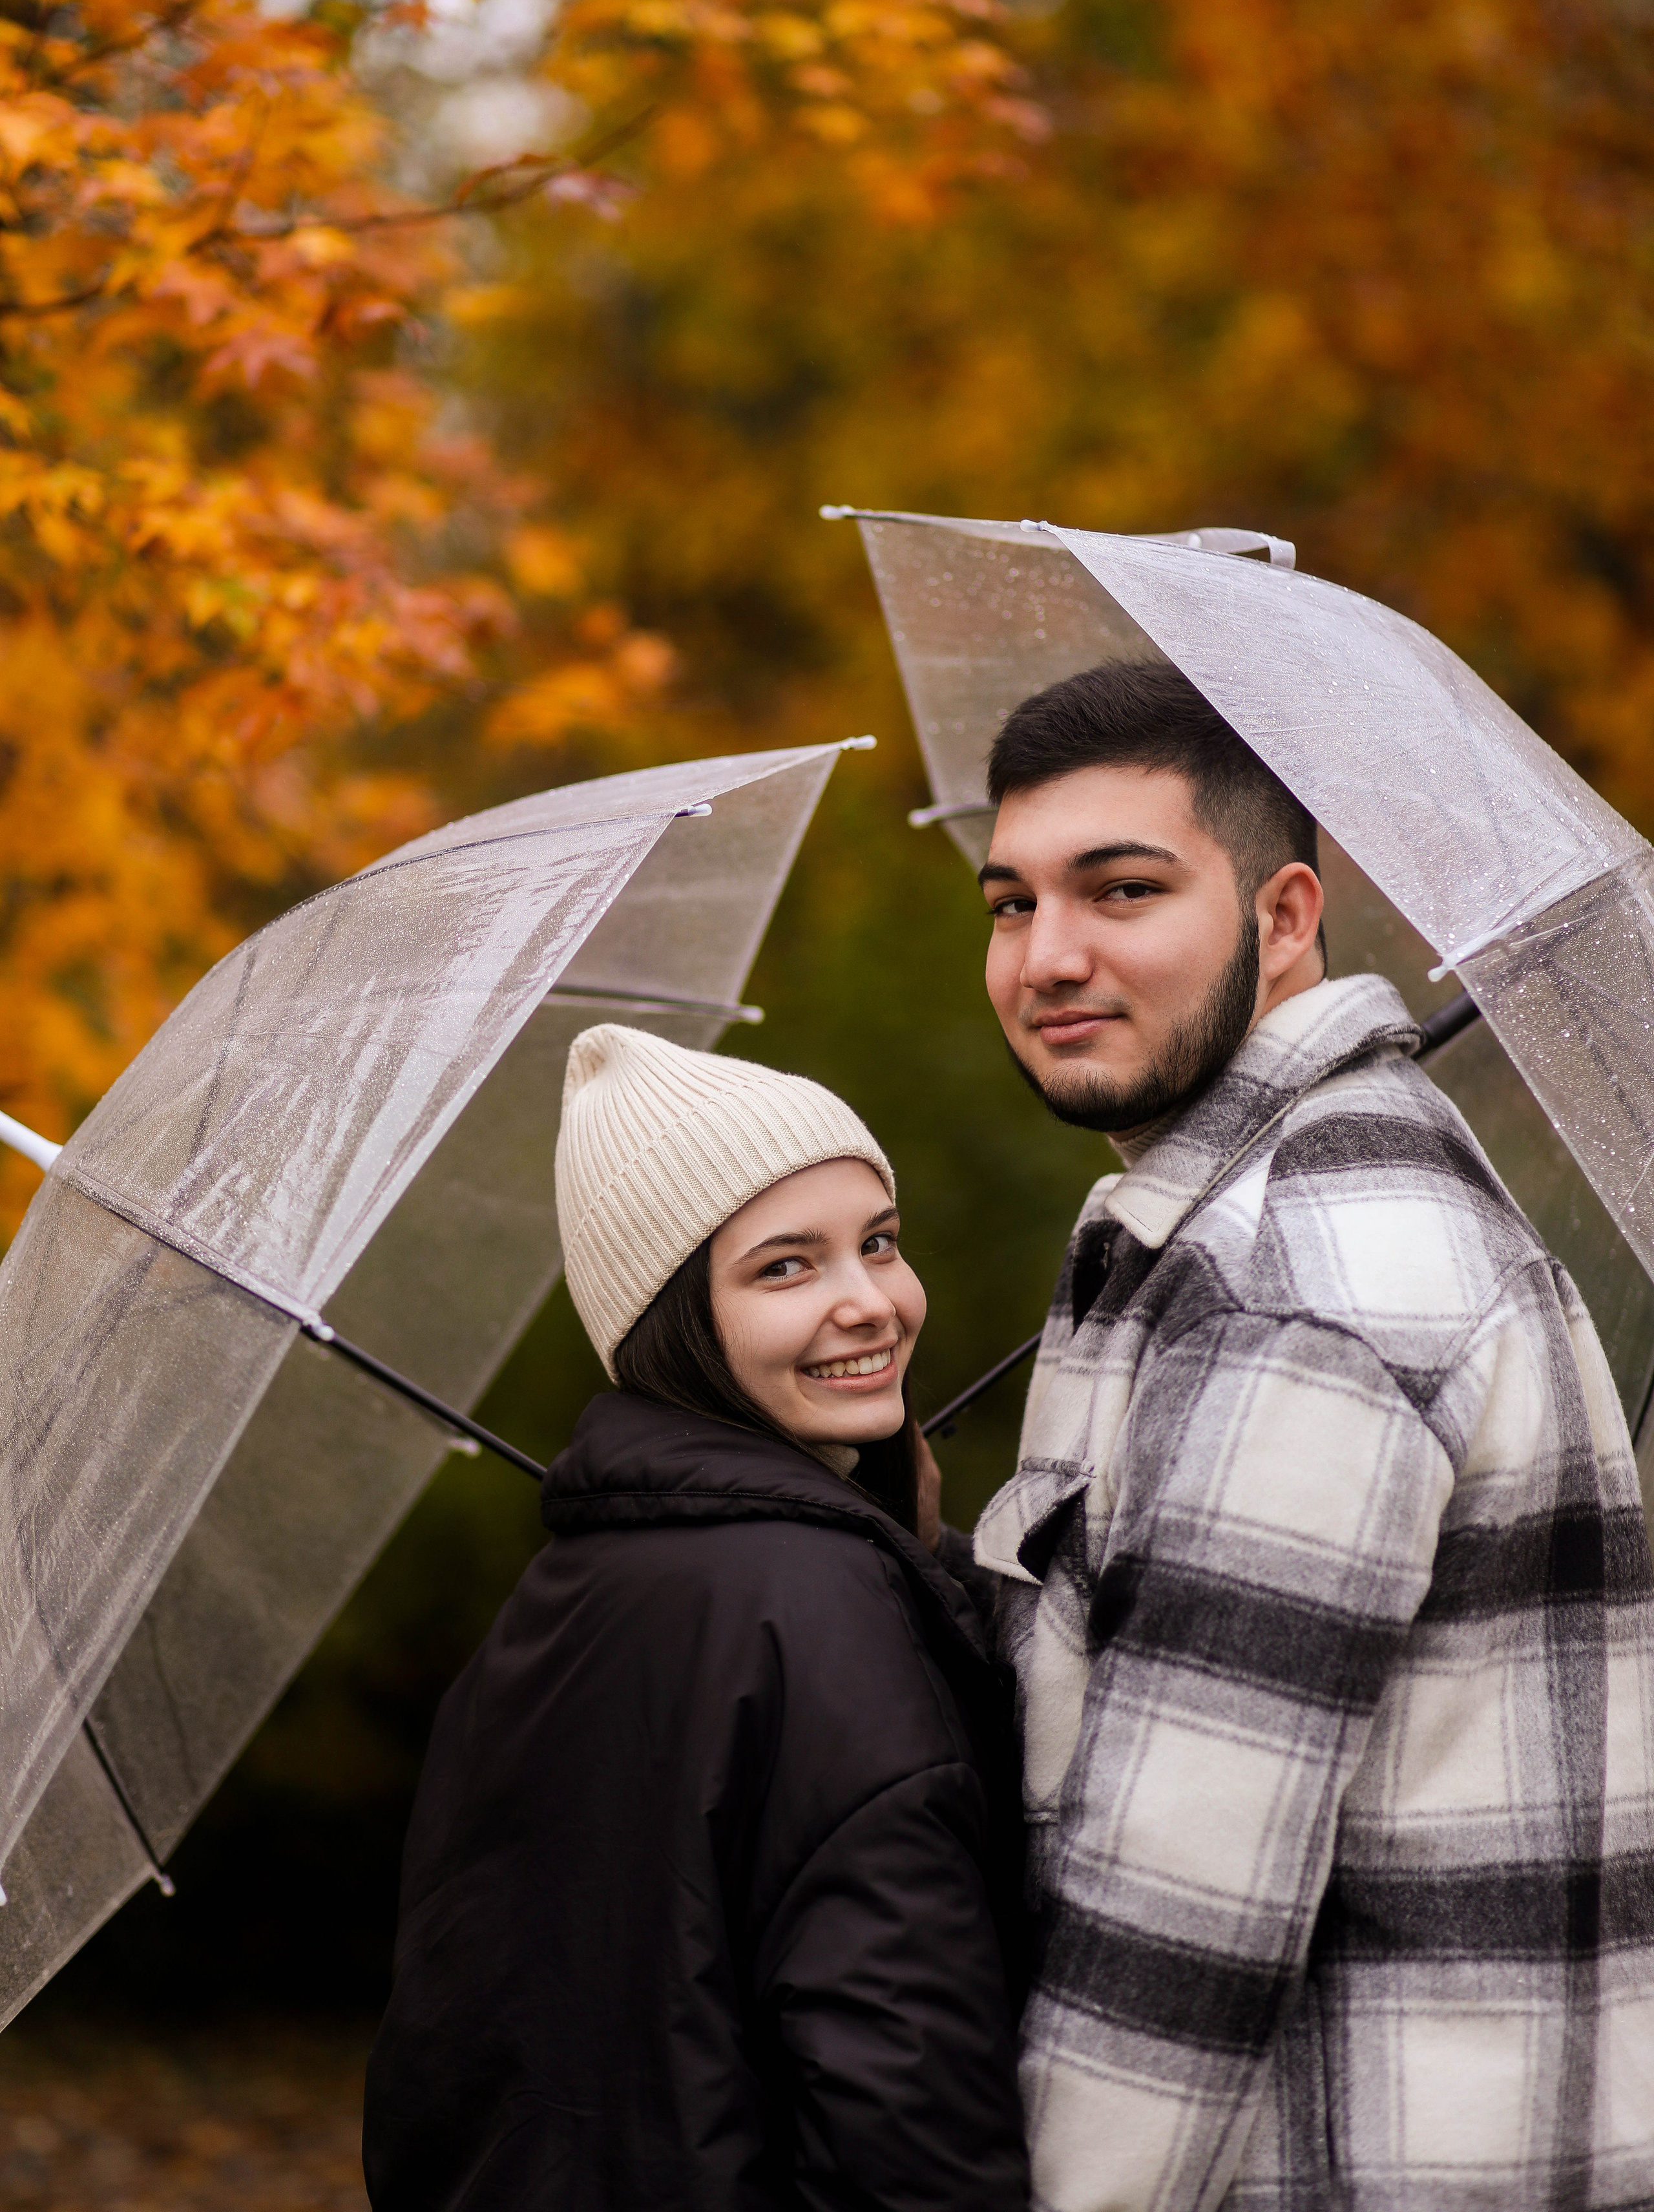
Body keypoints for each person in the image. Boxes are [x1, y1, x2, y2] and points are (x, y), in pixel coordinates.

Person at [970, 659, 1654, 2210]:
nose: (1047, 956)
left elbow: (1172, 1935)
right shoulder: (1299, 1209)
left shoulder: (1290, 1293)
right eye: (1011, 903)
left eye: (1121, 890)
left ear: (1283, 917)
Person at [362, 1022, 1029, 2212]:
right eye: (785, 1269)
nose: (870, 1303)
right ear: (672, 1318)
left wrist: (927, 1562)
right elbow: (906, 2109)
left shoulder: (565, 1600)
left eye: (878, 1243)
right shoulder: (812, 1603)